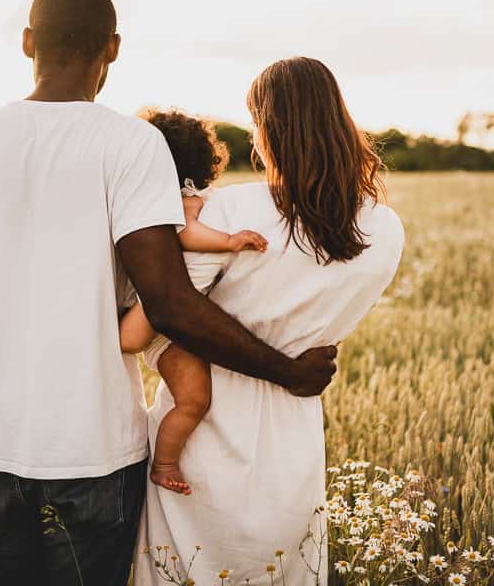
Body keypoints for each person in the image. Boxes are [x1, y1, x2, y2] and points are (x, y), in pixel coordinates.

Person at [0, 0, 339, 585]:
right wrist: (288, 371)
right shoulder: (130, 144)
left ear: (28, 42)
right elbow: (168, 302)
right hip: (93, 452)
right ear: (111, 49)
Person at [134, 57, 404, 585]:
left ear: (268, 129)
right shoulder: (385, 229)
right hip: (294, 441)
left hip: (197, 437)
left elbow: (167, 314)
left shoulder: (230, 212)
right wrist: (291, 364)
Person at [118, 109, 269, 496]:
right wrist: (230, 241)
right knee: (195, 398)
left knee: (195, 397)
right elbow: (186, 233)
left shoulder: (153, 195)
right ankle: (164, 462)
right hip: (162, 321)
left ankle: (163, 459)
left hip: (166, 316)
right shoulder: (181, 198)